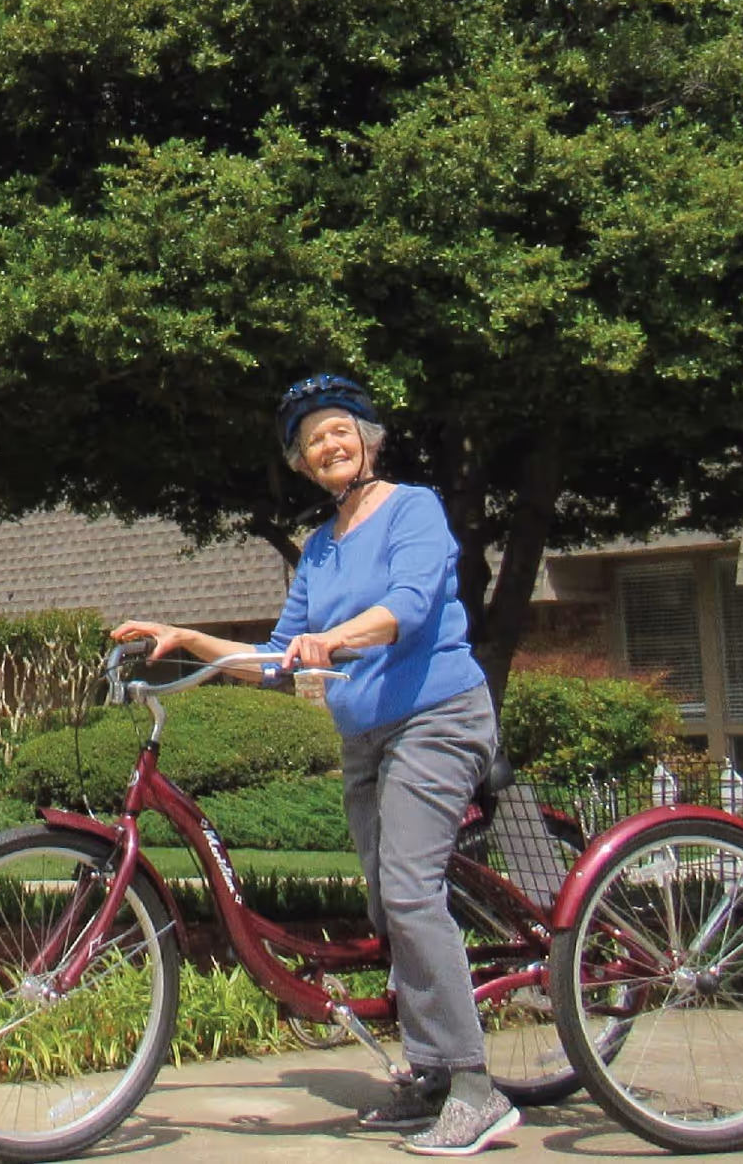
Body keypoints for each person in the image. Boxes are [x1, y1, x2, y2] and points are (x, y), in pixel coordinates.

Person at [111, 374, 518, 1158]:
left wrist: (339, 639)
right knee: (385, 901)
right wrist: (187, 637)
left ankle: (474, 1084)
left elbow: (409, 607)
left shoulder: (414, 508)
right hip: (366, 738)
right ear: (302, 465)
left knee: (407, 888)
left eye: (339, 430)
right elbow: (272, 658)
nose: (328, 446)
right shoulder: (324, 549)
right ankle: (430, 1077)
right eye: (311, 442)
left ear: (369, 438)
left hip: (438, 717)